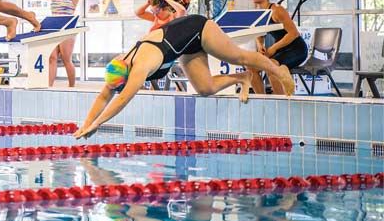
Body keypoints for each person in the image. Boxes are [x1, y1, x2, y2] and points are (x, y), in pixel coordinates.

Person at [73, 14, 295, 139]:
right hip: (184, 46)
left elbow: (121, 100)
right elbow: (105, 96)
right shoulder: (120, 65)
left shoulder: (140, 67)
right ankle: (243, 78)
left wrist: (98, 124)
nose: (118, 89)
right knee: (205, 88)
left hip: (198, 29)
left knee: (238, 56)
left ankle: (279, 71)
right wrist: (86, 124)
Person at [31, 0, 93, 87]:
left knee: (66, 59)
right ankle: (49, 85)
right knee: (52, 58)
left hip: (68, 29)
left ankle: (71, 86)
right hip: (54, 28)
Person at [248, 0, 308, 95]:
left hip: (297, 49)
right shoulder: (259, 13)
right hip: (281, 50)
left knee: (271, 67)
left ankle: (280, 102)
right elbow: (259, 34)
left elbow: (293, 33)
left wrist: (274, 48)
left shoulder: (277, 10)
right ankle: (262, 101)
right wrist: (261, 46)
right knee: (251, 68)